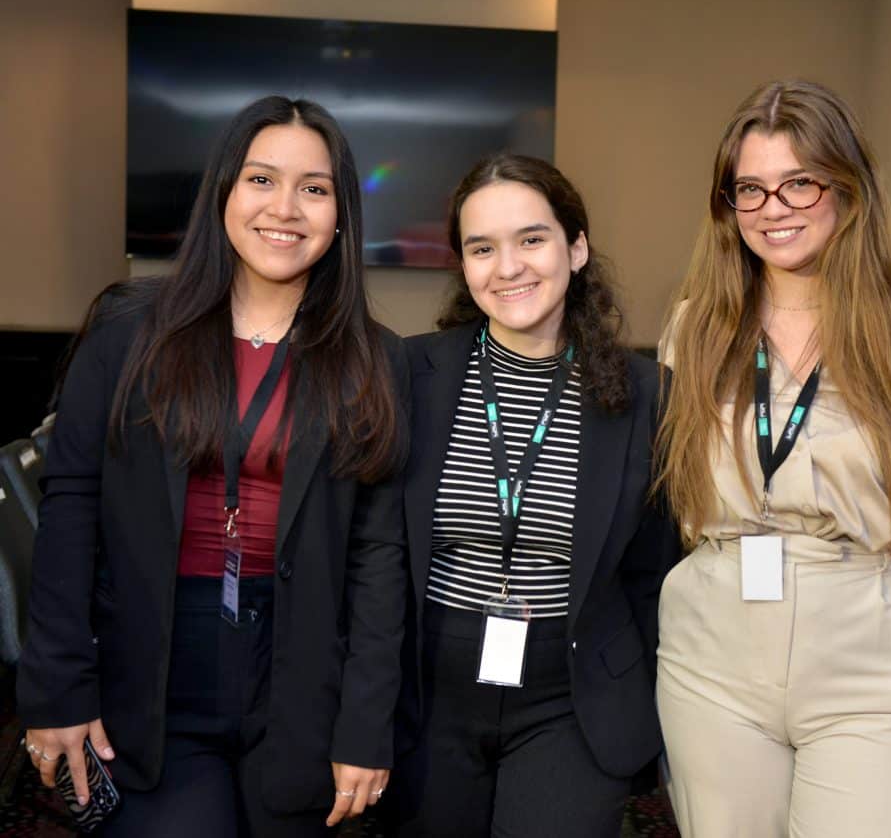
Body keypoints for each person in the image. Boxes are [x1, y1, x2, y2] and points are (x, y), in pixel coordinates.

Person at [17, 96, 409, 836]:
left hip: (301, 674)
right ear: (223, 190)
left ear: (341, 215)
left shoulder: (375, 359)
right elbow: (71, 508)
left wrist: (366, 723)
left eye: (314, 188)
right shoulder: (127, 331)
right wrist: (58, 685)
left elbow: (378, 553)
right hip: (152, 666)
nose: (285, 208)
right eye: (261, 179)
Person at [654, 80, 891, 837]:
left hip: (868, 665)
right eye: (750, 188)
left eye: (799, 182)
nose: (772, 208)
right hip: (713, 655)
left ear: (846, 188)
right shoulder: (694, 330)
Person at [387, 154, 678, 837]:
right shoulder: (409, 374)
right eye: (482, 248)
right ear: (463, 264)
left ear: (576, 248)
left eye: (531, 239)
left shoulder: (648, 395)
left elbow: (654, 573)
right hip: (428, 689)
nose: (508, 266)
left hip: (572, 696)